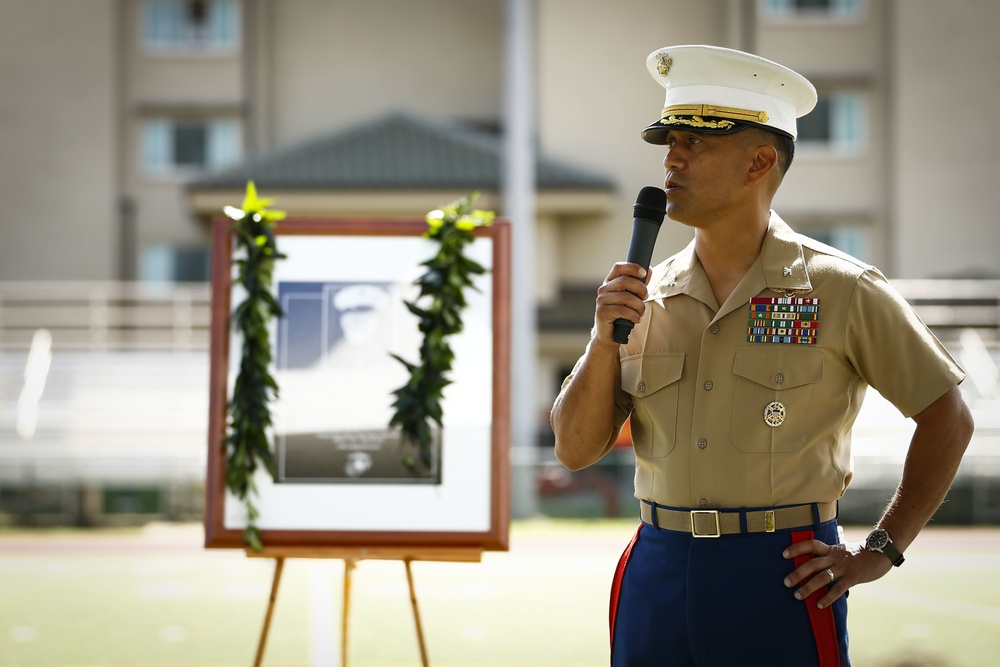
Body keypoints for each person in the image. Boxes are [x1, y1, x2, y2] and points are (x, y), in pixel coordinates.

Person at [549, 45, 975, 667]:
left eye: (696, 142)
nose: (673, 157)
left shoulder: (843, 289)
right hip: (659, 566)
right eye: (670, 140)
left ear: (759, 162)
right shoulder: (645, 296)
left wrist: (882, 548)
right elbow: (575, 449)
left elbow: (948, 417)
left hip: (783, 573)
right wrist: (601, 336)